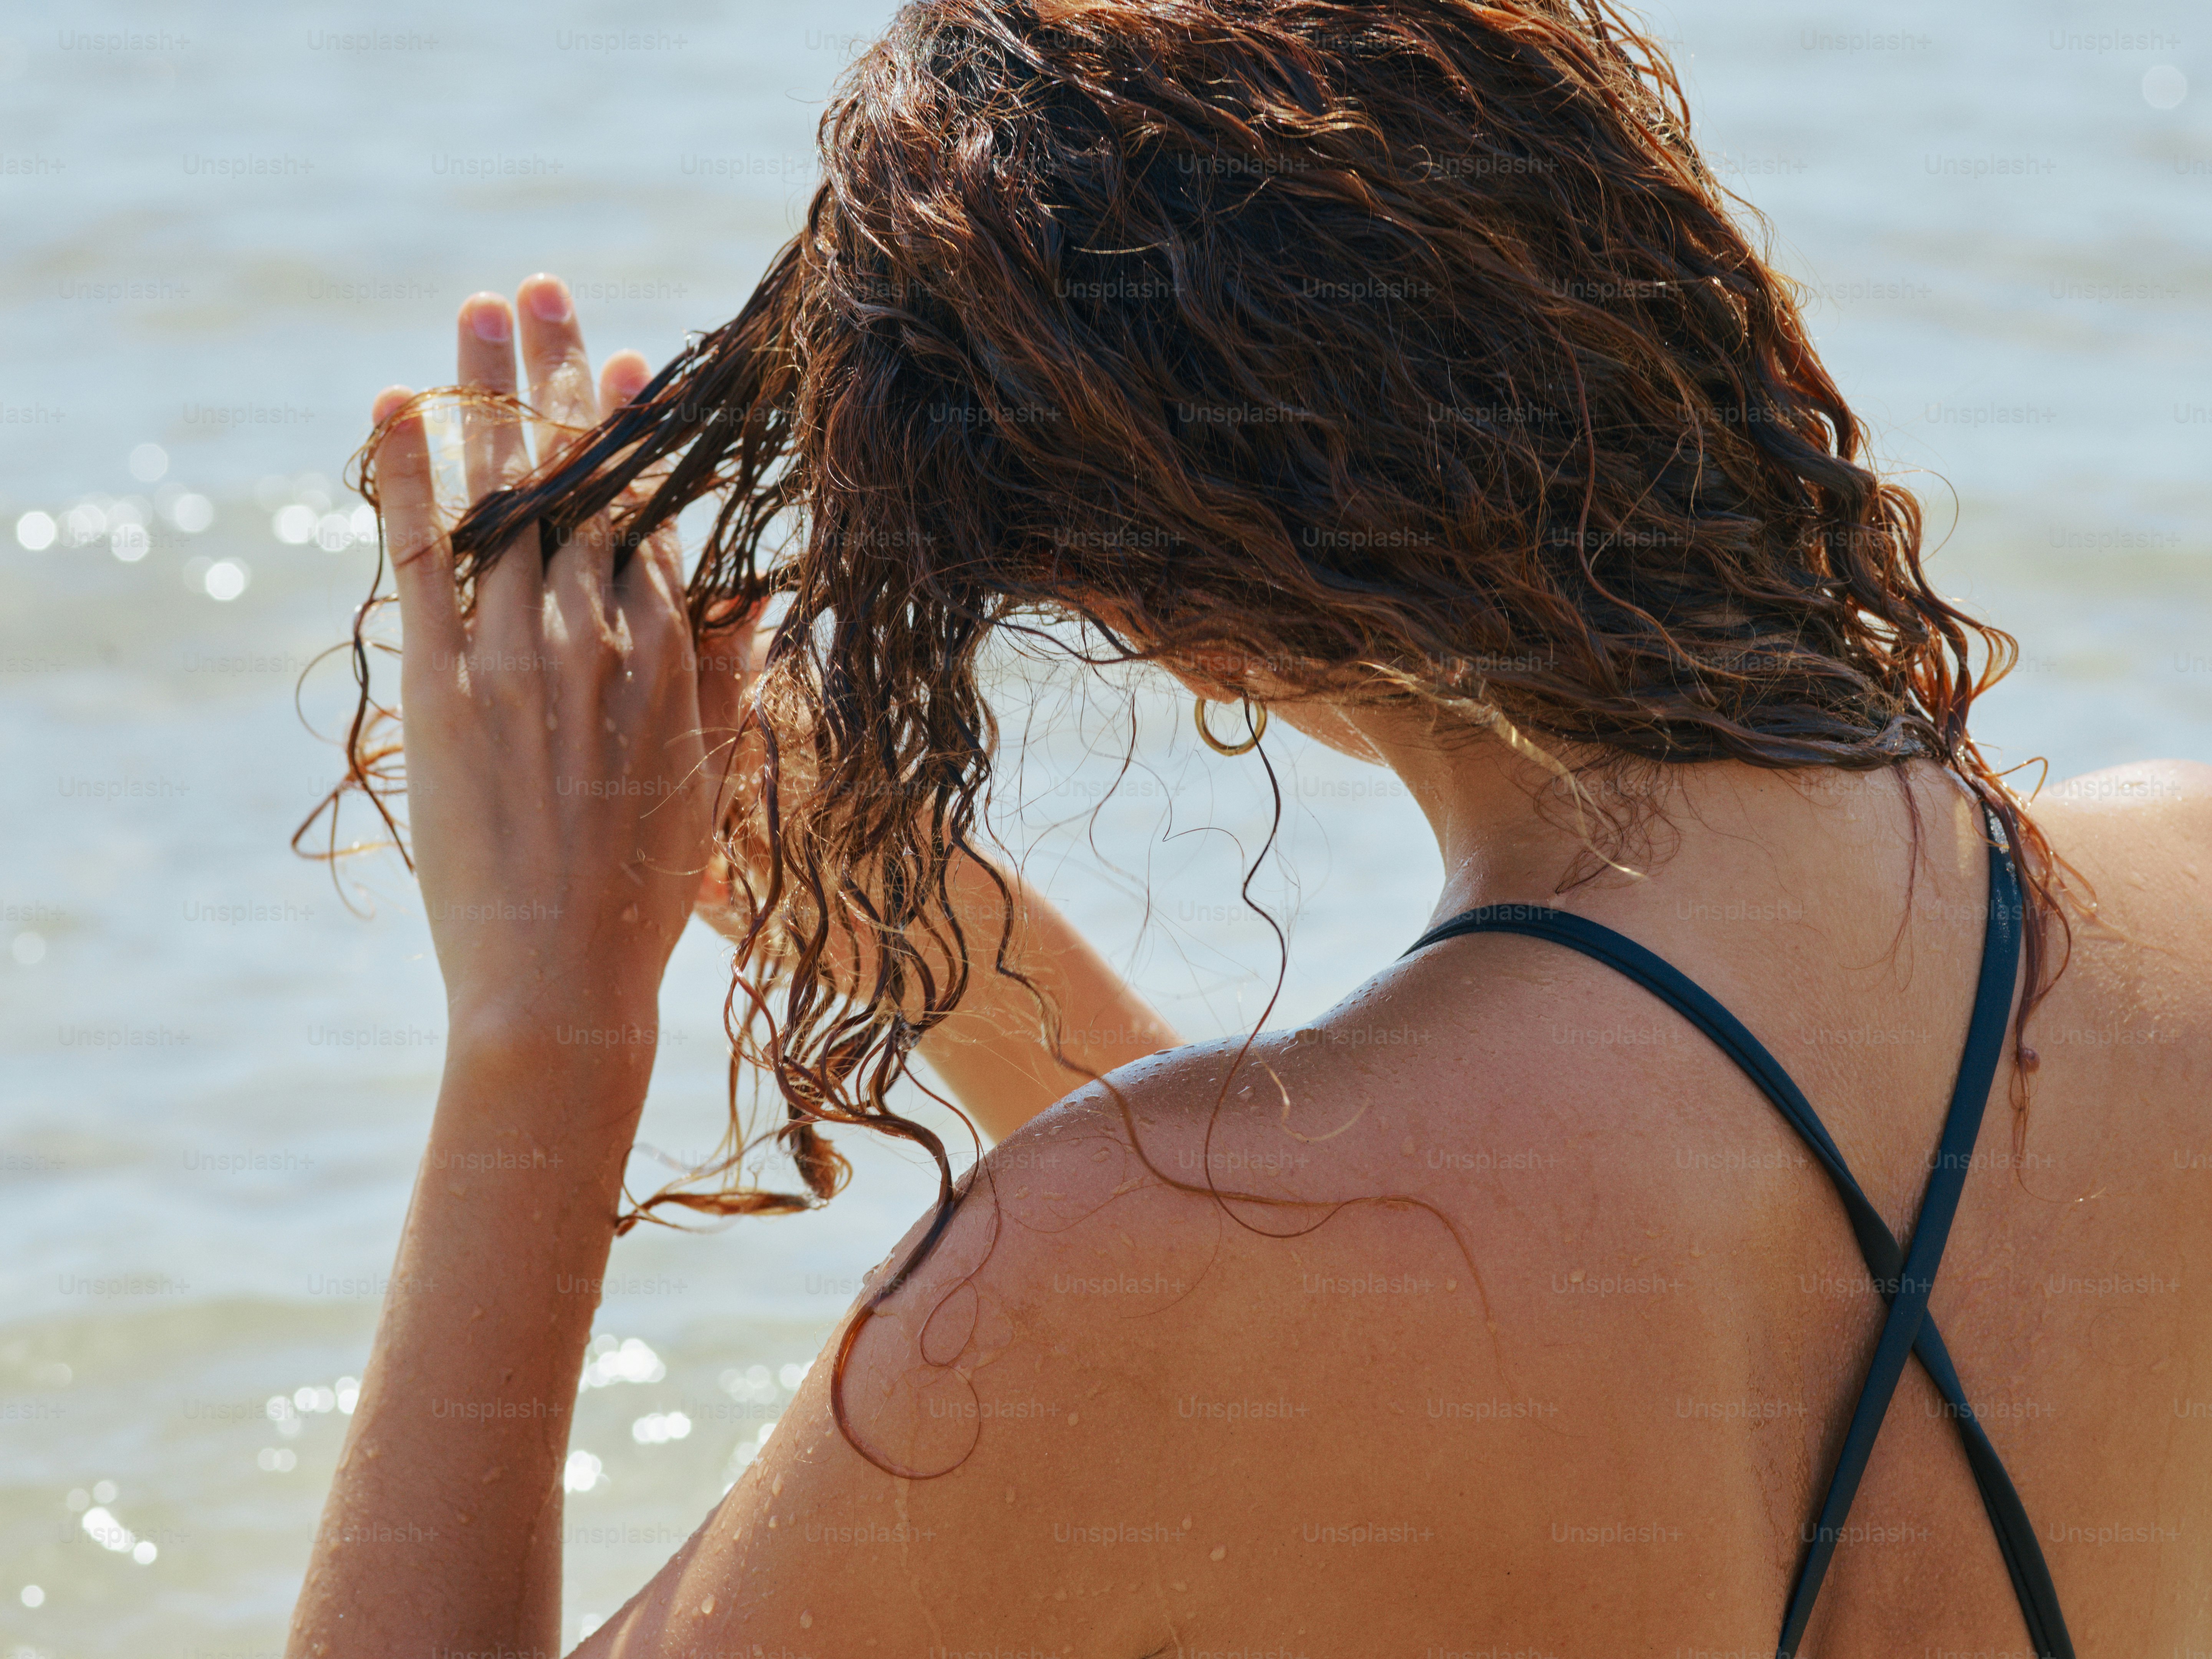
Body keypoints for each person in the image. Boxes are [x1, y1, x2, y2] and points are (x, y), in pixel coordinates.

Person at [283, 2, 2211, 1655]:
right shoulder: (2183, 895)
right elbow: (1388, 1278)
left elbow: (1318, 1297)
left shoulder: (1149, 1267)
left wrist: (547, 1028)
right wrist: (918, 927)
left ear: (1145, 598)